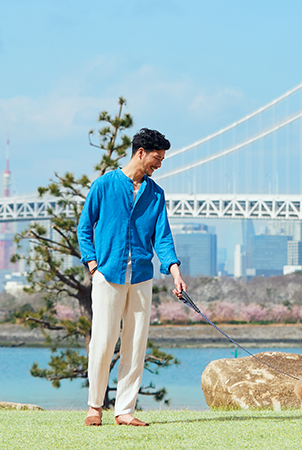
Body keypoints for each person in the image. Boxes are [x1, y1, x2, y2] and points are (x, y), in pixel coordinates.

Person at [77, 127, 187, 427]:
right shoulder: (104, 185)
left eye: (162, 159)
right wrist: (92, 265)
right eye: (157, 158)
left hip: (140, 276)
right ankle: (95, 407)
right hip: (108, 275)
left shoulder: (155, 194)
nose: (159, 164)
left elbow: (162, 238)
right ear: (141, 152)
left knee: (136, 343)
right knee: (102, 341)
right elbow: (84, 227)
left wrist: (175, 273)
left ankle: (124, 410)